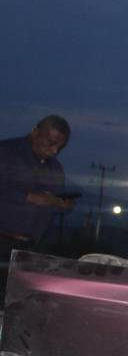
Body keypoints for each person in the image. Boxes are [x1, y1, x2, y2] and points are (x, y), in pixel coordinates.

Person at [0, 115, 73, 304]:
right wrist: (29, 197)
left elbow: (55, 205)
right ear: (35, 132)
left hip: (27, 249)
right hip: (2, 238)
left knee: (11, 305)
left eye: (60, 147)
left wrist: (61, 205)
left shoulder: (56, 169)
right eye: (51, 143)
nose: (54, 150)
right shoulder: (7, 152)